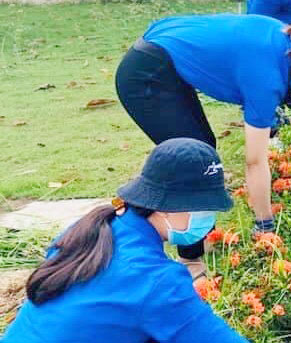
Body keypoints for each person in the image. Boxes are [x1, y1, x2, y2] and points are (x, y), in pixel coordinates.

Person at [114, 13, 291, 280]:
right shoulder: (267, 77)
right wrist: (265, 224)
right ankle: (188, 260)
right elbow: (254, 161)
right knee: (193, 165)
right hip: (145, 74)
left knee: (203, 150)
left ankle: (193, 241)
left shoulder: (281, 35)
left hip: (162, 55)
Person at [3, 138, 248, 342]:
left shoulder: (87, 230)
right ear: (166, 206)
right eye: (204, 209)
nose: (209, 219)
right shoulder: (155, 281)